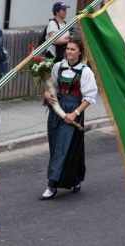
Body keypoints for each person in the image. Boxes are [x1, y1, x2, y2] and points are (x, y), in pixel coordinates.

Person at [39, 38, 98, 200]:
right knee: (55, 143)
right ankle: (75, 179)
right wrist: (46, 93)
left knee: (63, 147)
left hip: (73, 110)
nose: (69, 52)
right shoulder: (59, 66)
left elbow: (89, 97)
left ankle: (52, 186)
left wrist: (75, 114)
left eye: (73, 49)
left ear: (80, 52)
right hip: (56, 109)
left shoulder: (85, 72)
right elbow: (52, 87)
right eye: (68, 49)